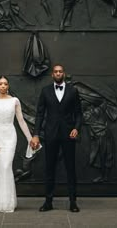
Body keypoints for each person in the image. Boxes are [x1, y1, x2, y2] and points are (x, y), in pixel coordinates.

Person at [30, 64, 82, 212]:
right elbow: (40, 114)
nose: (58, 73)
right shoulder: (45, 91)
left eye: (60, 71)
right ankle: (48, 202)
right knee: (49, 168)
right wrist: (36, 134)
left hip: (68, 135)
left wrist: (76, 128)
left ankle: (73, 202)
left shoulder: (73, 91)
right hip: (50, 134)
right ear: (52, 75)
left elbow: (79, 113)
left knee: (70, 168)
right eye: (55, 72)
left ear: (63, 74)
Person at [0, 75, 32, 213]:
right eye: (1, 84)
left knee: (6, 166)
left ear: (8, 86)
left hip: (10, 135)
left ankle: (9, 203)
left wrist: (29, 138)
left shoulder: (15, 101)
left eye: (5, 84)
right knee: (0, 167)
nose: (3, 86)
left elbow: (21, 121)